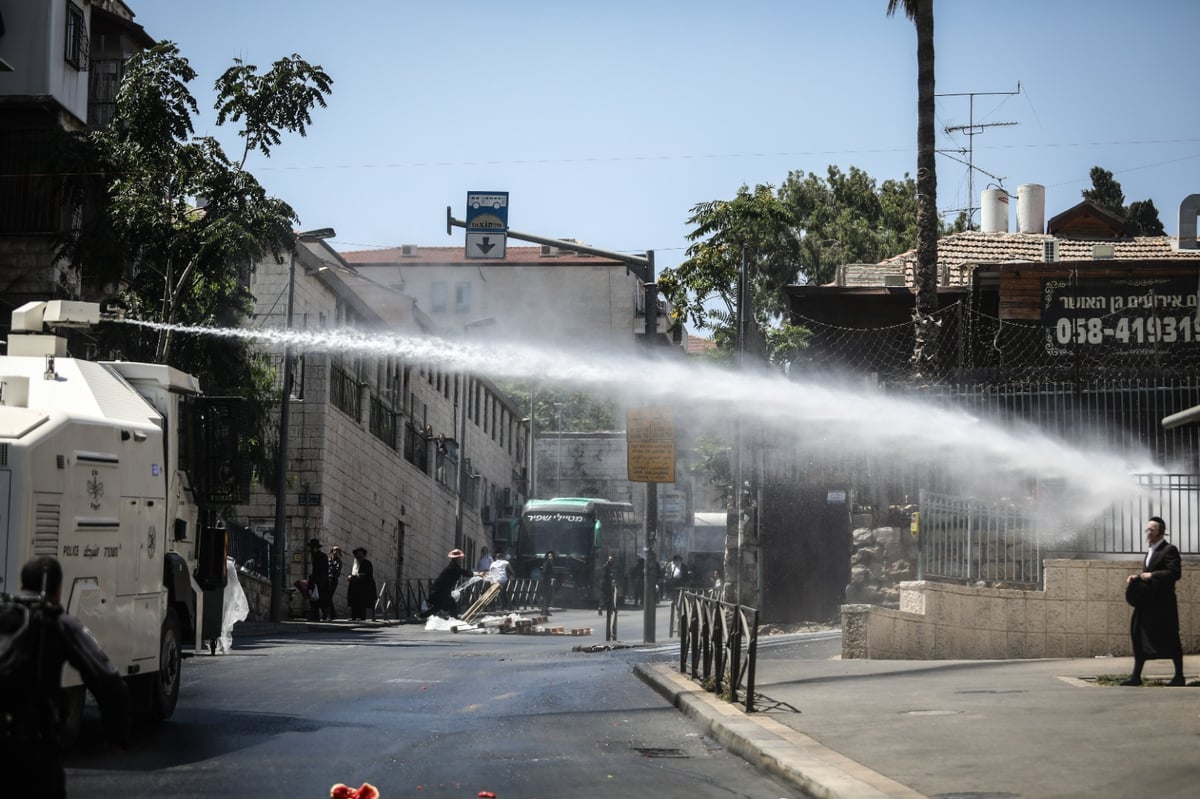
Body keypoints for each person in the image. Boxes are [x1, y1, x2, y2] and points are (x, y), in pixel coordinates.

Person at [0, 556, 131, 797]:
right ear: (58, 589)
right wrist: (116, 736)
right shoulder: (56, 622)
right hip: (34, 751)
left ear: (21, 585)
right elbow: (107, 679)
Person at [1122, 516, 1185, 686]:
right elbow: (1149, 573)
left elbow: (1175, 573)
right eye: (1147, 529)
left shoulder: (1169, 549)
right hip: (1148, 603)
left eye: (1152, 529)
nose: (1148, 532)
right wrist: (1137, 577)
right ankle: (1136, 676)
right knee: (1138, 634)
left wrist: (1152, 575)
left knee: (1170, 636)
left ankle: (1179, 676)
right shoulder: (1151, 551)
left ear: (1161, 532)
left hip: (1163, 605)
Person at [426, 549, 474, 619]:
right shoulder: (453, 567)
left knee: (439, 606)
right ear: (457, 559)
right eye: (459, 558)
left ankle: (422, 615)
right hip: (440, 590)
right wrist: (475, 574)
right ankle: (454, 619)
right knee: (450, 604)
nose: (460, 560)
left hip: (442, 590)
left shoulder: (453, 566)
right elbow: (463, 572)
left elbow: (461, 571)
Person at [347, 547, 376, 621]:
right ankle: (354, 616)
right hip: (354, 585)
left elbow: (369, 575)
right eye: (357, 554)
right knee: (354, 601)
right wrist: (350, 576)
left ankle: (362, 617)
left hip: (364, 586)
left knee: (362, 602)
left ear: (363, 555)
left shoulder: (367, 563)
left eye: (360, 554)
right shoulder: (355, 563)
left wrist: (360, 576)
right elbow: (353, 572)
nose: (358, 555)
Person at [307, 539, 332, 621]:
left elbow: (320, 570)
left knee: (318, 599)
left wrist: (315, 581)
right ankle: (318, 615)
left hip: (320, 581)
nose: (310, 549)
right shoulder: (318, 556)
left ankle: (320, 615)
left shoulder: (319, 556)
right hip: (319, 581)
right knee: (317, 599)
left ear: (314, 548)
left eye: (311, 548)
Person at [326, 545, 344, 619]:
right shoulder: (329, 560)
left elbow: (336, 571)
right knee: (327, 597)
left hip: (333, 579)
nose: (335, 552)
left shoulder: (339, 562)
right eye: (334, 550)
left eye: (337, 551)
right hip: (327, 579)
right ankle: (331, 614)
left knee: (329, 596)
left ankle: (332, 614)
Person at [598, 551, 617, 617]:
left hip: (603, 583)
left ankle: (601, 607)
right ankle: (610, 609)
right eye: (611, 560)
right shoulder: (606, 566)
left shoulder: (606, 566)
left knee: (603, 596)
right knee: (610, 596)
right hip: (606, 583)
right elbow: (606, 573)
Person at [539, 550, 556, 617]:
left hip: (546, 581)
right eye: (549, 556)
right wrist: (550, 578)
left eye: (551, 556)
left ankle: (544, 611)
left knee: (547, 596)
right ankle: (545, 611)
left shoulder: (549, 563)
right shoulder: (547, 563)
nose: (551, 557)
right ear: (547, 557)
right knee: (547, 596)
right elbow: (544, 572)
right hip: (545, 582)